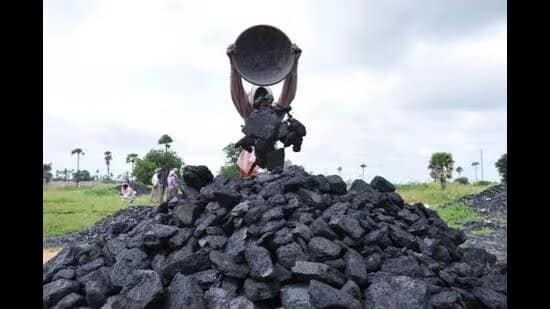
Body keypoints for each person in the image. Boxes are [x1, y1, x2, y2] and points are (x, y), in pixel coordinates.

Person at [227, 42, 301, 179]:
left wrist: (294, 62)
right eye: (259, 99)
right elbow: (237, 94)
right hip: (250, 163)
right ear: (252, 102)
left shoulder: (276, 114)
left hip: (272, 162)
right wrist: (233, 65)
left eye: (266, 98)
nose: (263, 103)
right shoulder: (249, 114)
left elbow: (287, 94)